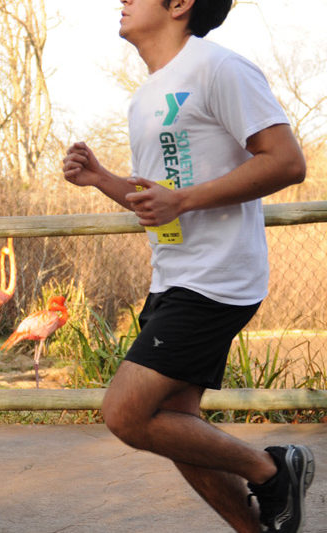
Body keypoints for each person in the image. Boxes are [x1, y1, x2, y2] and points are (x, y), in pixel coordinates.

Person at [61, 1, 312, 531]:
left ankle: (271, 471)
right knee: (175, 422)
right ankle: (258, 527)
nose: (122, 1)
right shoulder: (147, 95)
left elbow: (287, 161)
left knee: (126, 413)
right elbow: (160, 199)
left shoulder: (219, 68)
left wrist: (187, 200)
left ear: (180, 4)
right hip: (172, 274)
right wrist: (102, 179)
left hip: (218, 278)